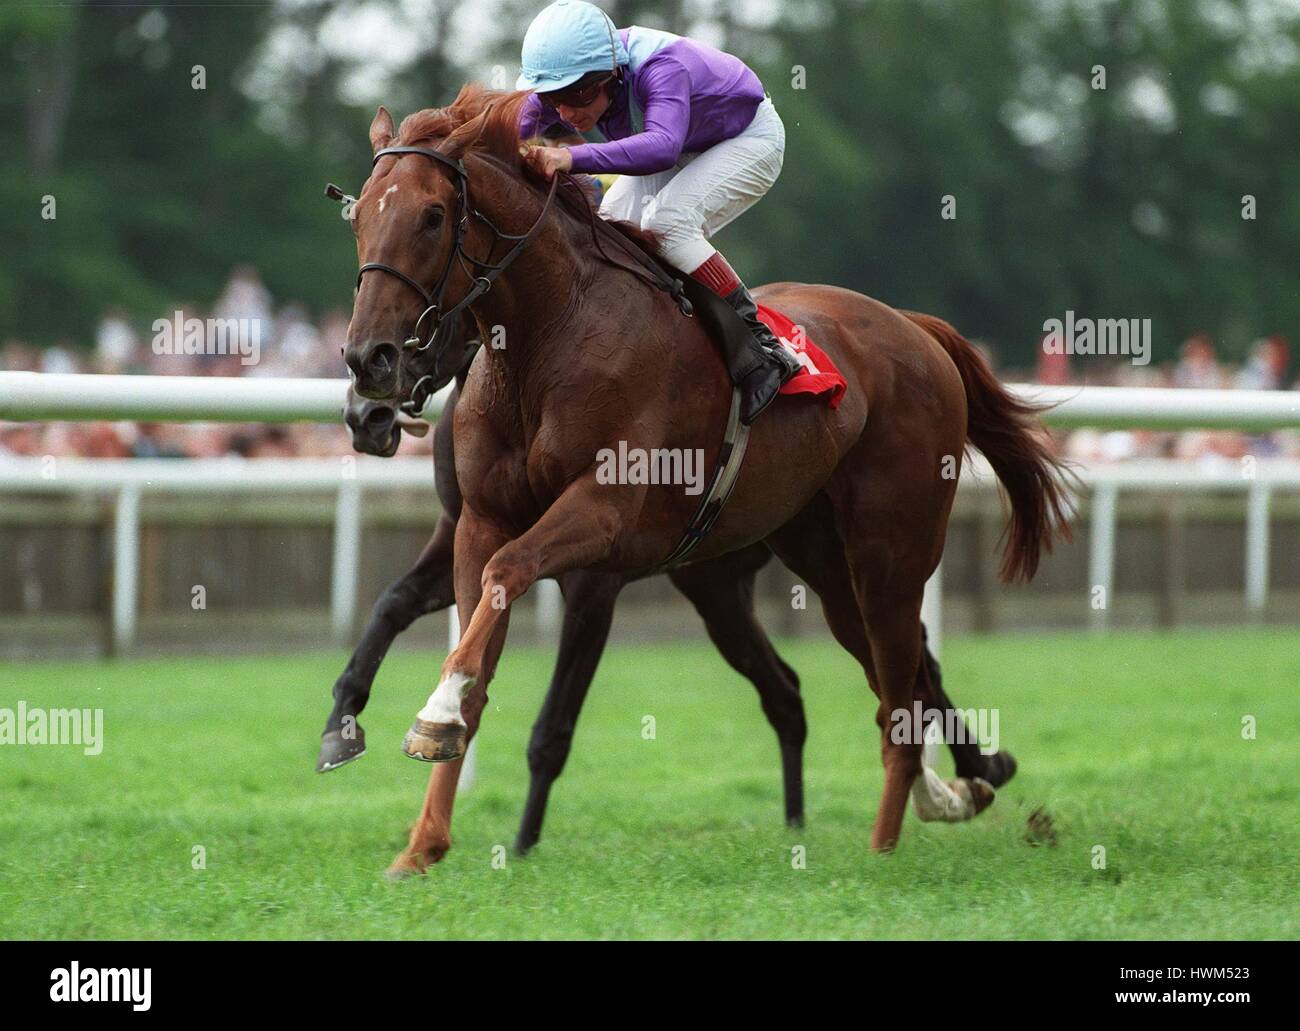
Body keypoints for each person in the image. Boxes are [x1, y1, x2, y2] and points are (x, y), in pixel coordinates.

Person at [515, 0, 800, 423]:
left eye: (577, 94)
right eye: (553, 97)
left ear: (610, 74)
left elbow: (663, 145)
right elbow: (507, 129)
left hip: (748, 139)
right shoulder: (575, 79)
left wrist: (571, 159)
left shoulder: (663, 68)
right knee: (610, 227)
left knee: (667, 224)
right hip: (688, 143)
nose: (566, 112)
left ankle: (762, 349)